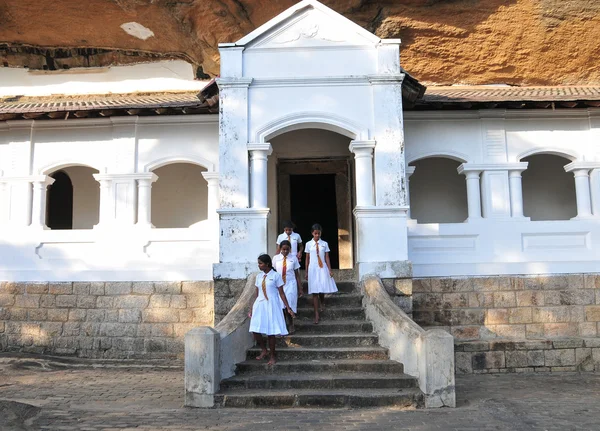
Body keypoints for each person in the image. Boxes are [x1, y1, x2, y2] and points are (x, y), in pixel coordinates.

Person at [249, 254, 295, 365]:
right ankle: (264, 350)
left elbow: (281, 293)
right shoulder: (259, 277)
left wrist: (288, 308)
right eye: (258, 263)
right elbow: (257, 293)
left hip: (272, 305)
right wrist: (252, 308)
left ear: (267, 263)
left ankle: (273, 355)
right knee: (255, 330)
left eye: (261, 263)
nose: (259, 265)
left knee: (271, 332)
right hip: (260, 304)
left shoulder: (275, 276)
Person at [304, 223, 337, 324]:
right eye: (315, 233)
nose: (317, 235)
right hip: (313, 268)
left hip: (322, 267)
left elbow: (327, 257)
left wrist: (330, 269)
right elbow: (307, 258)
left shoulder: (324, 244)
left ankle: (322, 302)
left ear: (321, 233)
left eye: (318, 233)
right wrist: (306, 271)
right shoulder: (308, 244)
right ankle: (316, 314)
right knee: (314, 291)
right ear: (312, 233)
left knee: (321, 288)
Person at [273, 240, 303, 334]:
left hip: (290, 284)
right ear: (280, 249)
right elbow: (273, 272)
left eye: (287, 249)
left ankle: (291, 323)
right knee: (281, 305)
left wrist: (300, 287)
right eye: (283, 249)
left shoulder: (293, 258)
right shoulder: (275, 258)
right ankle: (282, 325)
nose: (285, 251)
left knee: (288, 304)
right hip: (279, 285)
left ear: (290, 249)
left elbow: (297, 274)